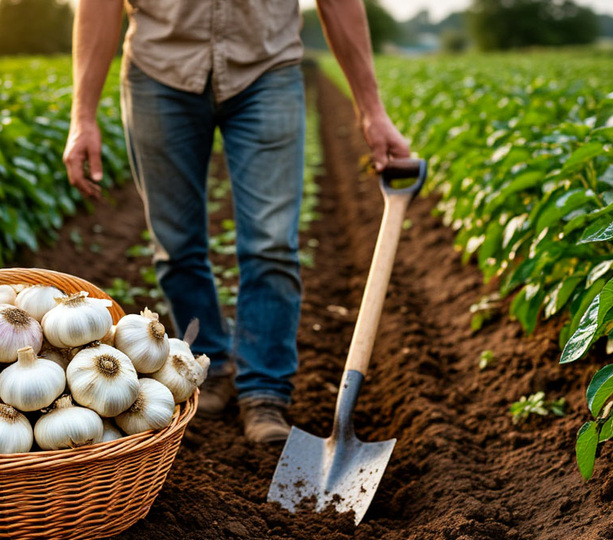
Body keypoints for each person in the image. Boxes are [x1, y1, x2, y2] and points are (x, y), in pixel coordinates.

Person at [64, 0, 411, 444]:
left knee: (271, 243)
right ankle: (210, 365)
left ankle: (265, 389)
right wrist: (83, 116)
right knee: (176, 243)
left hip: (267, 68)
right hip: (159, 71)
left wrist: (371, 109)